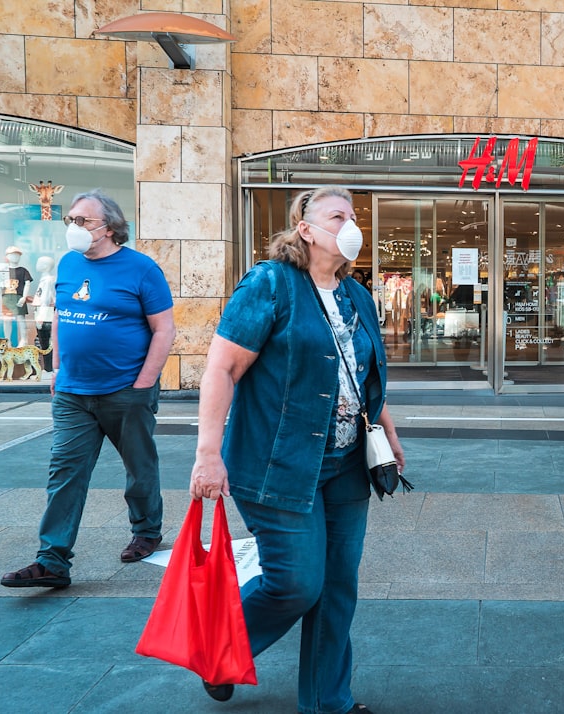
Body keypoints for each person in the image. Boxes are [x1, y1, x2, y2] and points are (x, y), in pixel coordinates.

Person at [189, 186, 403, 714]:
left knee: (336, 589)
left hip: (348, 462)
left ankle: (329, 702)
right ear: (305, 229)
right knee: (296, 584)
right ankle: (218, 650)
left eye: (354, 216)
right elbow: (221, 369)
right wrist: (207, 453)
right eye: (338, 215)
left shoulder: (356, 294)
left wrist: (387, 432)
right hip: (277, 462)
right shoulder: (270, 283)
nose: (352, 224)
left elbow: (365, 377)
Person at [0, 189, 176, 589]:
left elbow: (163, 329)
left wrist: (144, 381)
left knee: (139, 467)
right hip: (73, 393)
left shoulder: (141, 269)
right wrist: (56, 369)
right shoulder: (67, 264)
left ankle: (147, 531)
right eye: (71, 221)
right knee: (65, 472)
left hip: (126, 389)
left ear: (109, 227)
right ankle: (53, 559)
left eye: (83, 221)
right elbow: (61, 318)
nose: (74, 228)